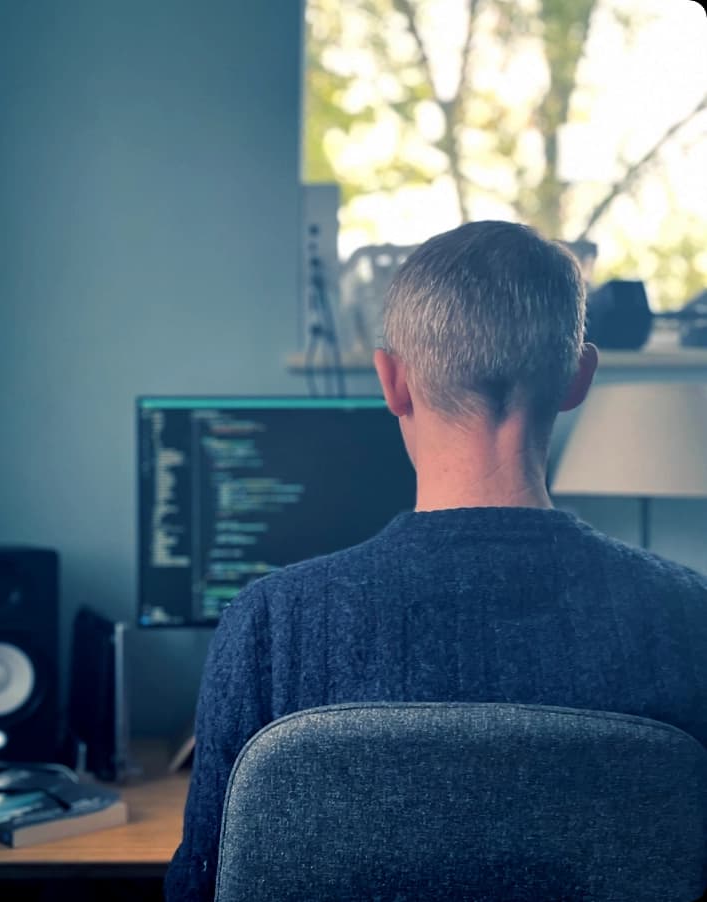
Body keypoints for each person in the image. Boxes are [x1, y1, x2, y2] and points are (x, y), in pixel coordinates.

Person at [164, 220, 707, 900]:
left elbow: (201, 888)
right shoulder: (691, 620)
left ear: (392, 381)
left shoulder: (270, 627)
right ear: (578, 378)